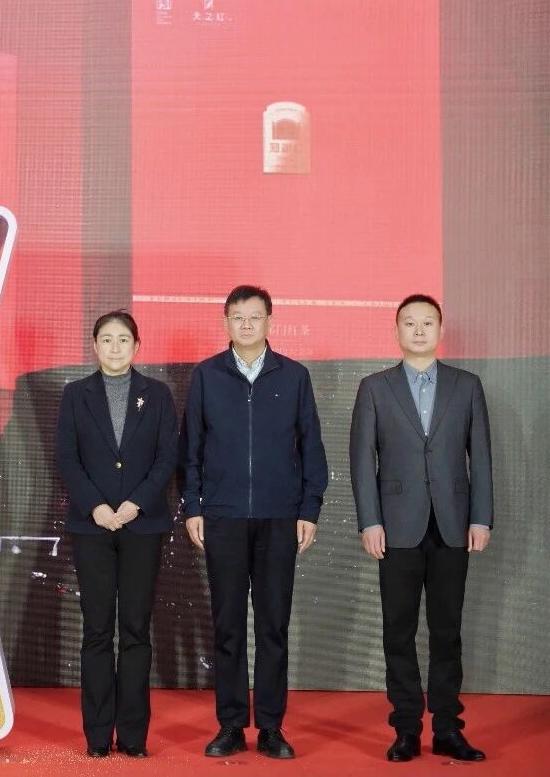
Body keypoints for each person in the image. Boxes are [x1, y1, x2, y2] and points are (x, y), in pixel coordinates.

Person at [181, 284, 327, 760]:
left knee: (272, 626)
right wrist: (194, 506)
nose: (246, 325)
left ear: (270, 321)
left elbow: (312, 448)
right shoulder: (207, 375)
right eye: (238, 317)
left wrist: (308, 510)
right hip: (222, 517)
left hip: (279, 517)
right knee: (227, 625)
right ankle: (230, 725)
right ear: (226, 322)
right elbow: (191, 449)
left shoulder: (294, 376)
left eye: (255, 317)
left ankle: (270, 727)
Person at [349, 294, 492, 763]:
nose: (418, 330)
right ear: (396, 331)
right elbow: (361, 461)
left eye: (427, 323)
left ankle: (448, 728)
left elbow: (481, 457)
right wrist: (370, 520)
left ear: (440, 330)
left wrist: (480, 517)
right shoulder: (375, 387)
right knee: (398, 630)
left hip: (453, 525)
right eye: (409, 323)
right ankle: (406, 728)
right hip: (396, 528)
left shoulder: (466, 386)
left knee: (448, 631)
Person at [56, 310, 179, 759]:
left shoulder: (157, 395)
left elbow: (167, 457)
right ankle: (96, 736)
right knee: (96, 630)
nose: (114, 347)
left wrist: (135, 503)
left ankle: (132, 736)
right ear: (94, 346)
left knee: (135, 630)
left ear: (137, 346)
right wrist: (97, 506)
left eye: (123, 340)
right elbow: (67, 458)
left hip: (142, 524)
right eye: (106, 339)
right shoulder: (75, 395)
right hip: (92, 526)